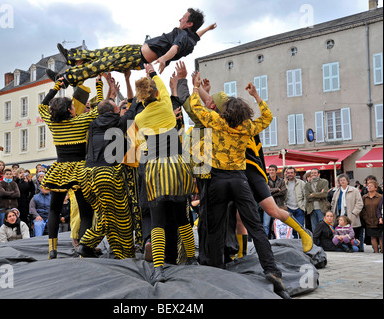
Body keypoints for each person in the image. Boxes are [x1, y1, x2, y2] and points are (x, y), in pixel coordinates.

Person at [189, 77, 290, 298]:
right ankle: (272, 270)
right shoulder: (248, 127)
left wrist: (197, 87)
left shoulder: (216, 121)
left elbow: (195, 106)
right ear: (243, 112)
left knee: (215, 229)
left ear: (225, 112)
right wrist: (256, 96)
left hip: (217, 180)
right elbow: (269, 116)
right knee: (255, 227)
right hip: (239, 179)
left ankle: (217, 272)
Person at [132, 64, 196, 284]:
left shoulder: (139, 119)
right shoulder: (168, 104)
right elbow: (160, 84)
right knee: (182, 217)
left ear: (141, 99)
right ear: (157, 94)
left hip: (156, 170)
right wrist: (151, 71)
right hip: (177, 167)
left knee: (157, 220)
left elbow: (141, 145)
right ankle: (192, 259)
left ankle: (159, 269)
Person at [47, 9, 216, 86]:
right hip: (136, 50)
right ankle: (72, 56)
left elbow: (175, 49)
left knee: (102, 63)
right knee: (102, 53)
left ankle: (65, 79)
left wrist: (164, 59)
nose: (180, 19)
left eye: (183, 18)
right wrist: (207, 29)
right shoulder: (191, 38)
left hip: (138, 58)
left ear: (189, 23)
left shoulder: (182, 35)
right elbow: (196, 35)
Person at [39, 78, 98, 259]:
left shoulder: (53, 123)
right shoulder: (81, 121)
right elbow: (98, 110)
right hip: (79, 169)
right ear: (70, 110)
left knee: (54, 209)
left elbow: (42, 106)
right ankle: (83, 249)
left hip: (60, 168)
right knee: (85, 211)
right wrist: (100, 86)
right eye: (72, 107)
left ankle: (52, 249)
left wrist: (57, 86)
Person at [76, 84, 137, 260]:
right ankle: (88, 244)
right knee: (120, 215)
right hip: (107, 174)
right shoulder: (119, 123)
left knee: (105, 213)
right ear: (116, 110)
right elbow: (132, 107)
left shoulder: (93, 123)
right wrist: (129, 80)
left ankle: (116, 251)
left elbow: (102, 107)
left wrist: (109, 90)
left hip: (86, 175)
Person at [330, 174, 364, 251]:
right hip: (340, 214)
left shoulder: (354, 190)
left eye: (344, 180)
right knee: (341, 231)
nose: (342, 181)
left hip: (351, 214)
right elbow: (333, 203)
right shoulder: (337, 191)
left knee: (353, 233)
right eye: (340, 180)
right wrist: (333, 212)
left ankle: (357, 248)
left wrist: (354, 213)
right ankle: (345, 248)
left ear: (347, 181)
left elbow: (359, 203)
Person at [264, 165, 287, 238]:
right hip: (267, 205)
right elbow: (265, 191)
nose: (271, 171)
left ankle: (277, 240)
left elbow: (283, 192)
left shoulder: (281, 180)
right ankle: (265, 241)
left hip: (279, 205)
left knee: (278, 224)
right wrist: (277, 189)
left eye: (273, 170)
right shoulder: (265, 180)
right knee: (266, 225)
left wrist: (271, 192)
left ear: (276, 171)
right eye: (270, 170)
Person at [361, 179, 383, 253]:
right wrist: (366, 218)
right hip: (369, 220)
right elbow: (362, 209)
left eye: (371, 186)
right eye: (368, 186)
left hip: (379, 220)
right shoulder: (364, 197)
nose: (369, 187)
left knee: (380, 236)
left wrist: (380, 218)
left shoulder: (380, 197)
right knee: (372, 236)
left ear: (376, 188)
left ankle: (382, 251)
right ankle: (376, 252)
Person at [285, 166, 307, 239]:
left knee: (300, 227)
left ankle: (301, 243)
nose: (290, 174)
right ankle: (294, 243)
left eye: (291, 173)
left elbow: (305, 196)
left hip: (299, 208)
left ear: (295, 174)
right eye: (288, 173)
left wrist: (303, 206)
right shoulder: (284, 183)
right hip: (288, 208)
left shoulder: (301, 183)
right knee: (291, 228)